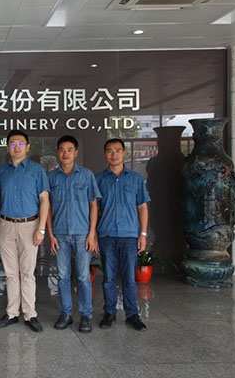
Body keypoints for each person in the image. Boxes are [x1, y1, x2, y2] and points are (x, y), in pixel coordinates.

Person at [0, 130, 50, 333]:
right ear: (7, 147)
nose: (16, 147)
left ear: (27, 147)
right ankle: (11, 313)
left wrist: (41, 229)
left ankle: (29, 314)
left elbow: (44, 200)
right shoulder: (1, 171)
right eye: (12, 144)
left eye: (20, 144)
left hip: (30, 225)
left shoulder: (36, 170)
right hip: (6, 224)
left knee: (27, 273)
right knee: (10, 273)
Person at [46, 135, 100, 333]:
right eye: (62, 150)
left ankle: (86, 315)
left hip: (82, 234)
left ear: (76, 153)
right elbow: (47, 208)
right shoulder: (51, 177)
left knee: (84, 276)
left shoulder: (86, 175)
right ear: (57, 153)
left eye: (69, 150)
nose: (65, 153)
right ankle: (66, 313)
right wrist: (50, 235)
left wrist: (92, 233)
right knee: (62, 276)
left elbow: (93, 205)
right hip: (59, 234)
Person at [95, 138, 150, 332]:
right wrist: (93, 234)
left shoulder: (135, 179)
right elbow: (94, 209)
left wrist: (143, 234)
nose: (114, 154)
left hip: (129, 235)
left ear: (124, 153)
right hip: (107, 235)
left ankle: (132, 314)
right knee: (109, 278)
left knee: (129, 279)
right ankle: (109, 313)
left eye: (117, 150)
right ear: (105, 154)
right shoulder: (99, 179)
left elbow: (142, 207)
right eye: (110, 151)